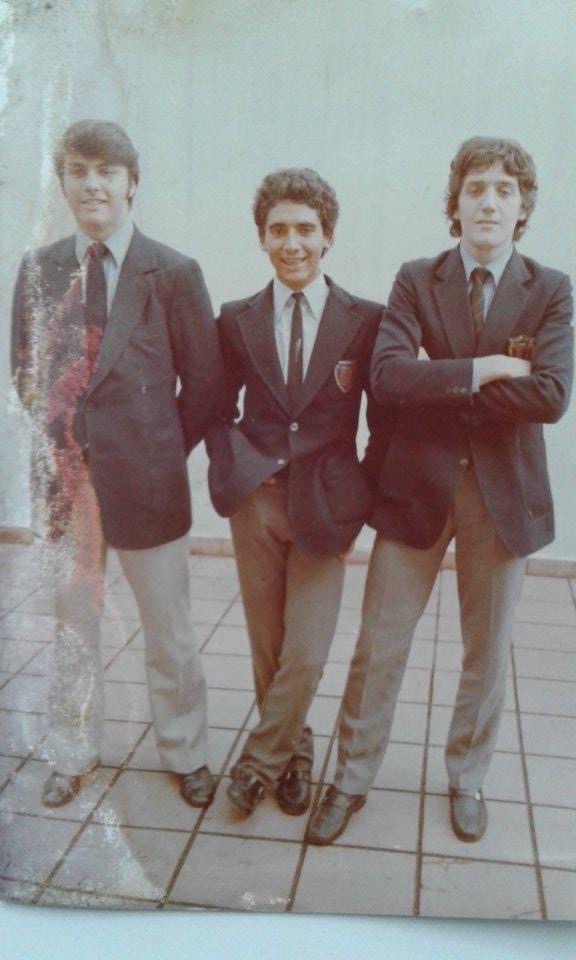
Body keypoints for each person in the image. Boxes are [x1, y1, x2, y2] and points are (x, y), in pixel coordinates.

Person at [307, 137, 574, 845]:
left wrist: (442, 378)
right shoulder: (416, 280)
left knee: (487, 650)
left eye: (505, 190)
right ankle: (350, 778)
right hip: (415, 488)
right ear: (455, 202)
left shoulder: (550, 288)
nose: (490, 201)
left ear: (523, 208)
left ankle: (467, 778)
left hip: (503, 497)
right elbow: (389, 376)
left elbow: (551, 395)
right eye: (476, 188)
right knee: (379, 643)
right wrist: (489, 368)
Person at [11, 120, 222, 809]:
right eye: (78, 171)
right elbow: (25, 374)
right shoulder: (38, 270)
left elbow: (206, 387)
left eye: (107, 171)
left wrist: (154, 451)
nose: (92, 184)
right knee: (73, 627)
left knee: (169, 629)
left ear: (133, 182)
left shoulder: (174, 273)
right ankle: (73, 750)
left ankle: (186, 750)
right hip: (68, 487)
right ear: (64, 182)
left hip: (150, 484)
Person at [207, 168, 388, 817]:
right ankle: (294, 756)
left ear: (327, 235)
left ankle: (257, 764)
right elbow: (215, 408)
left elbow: (384, 419)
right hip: (257, 502)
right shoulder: (236, 319)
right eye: (278, 230)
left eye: (305, 229)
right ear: (261, 237)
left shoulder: (364, 320)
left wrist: (359, 494)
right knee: (269, 649)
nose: (292, 243)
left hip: (326, 505)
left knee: (306, 653)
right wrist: (238, 468)